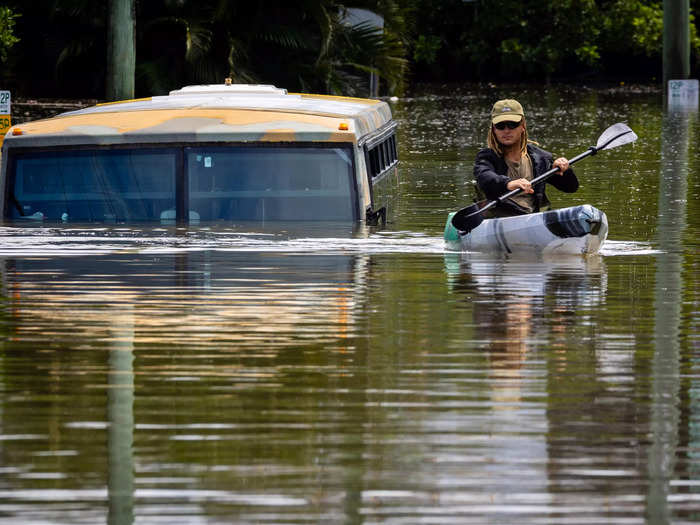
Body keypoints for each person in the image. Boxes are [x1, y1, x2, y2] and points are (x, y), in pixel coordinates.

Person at [473, 99, 579, 217]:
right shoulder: (486, 157)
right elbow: (484, 177)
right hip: (499, 217)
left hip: (533, 218)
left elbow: (571, 187)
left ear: (522, 126)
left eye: (512, 125)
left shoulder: (540, 158)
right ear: (494, 129)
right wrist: (508, 184)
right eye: (500, 126)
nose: (506, 130)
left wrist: (565, 170)